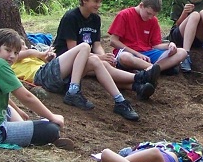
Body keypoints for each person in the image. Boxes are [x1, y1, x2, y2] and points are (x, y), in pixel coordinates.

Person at [0, 29, 72, 148]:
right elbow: (26, 97)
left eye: (16, 53)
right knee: (51, 129)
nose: (12, 56)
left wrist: (18, 110)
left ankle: (22, 127)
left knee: (9, 108)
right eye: (8, 50)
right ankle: (31, 133)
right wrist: (52, 117)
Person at [53, 0, 160, 103]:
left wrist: (106, 57)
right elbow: (73, 49)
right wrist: (100, 58)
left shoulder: (95, 19)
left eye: (100, 1)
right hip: (66, 61)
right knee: (101, 66)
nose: (98, 5)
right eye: (95, 1)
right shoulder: (71, 17)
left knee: (103, 66)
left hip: (87, 58)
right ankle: (140, 78)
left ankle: (137, 87)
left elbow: (97, 45)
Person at [11, 40, 142, 121]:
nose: (25, 46)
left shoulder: (30, 57)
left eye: (24, 44)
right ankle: (73, 91)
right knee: (84, 46)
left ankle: (120, 101)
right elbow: (27, 54)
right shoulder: (12, 59)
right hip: (41, 76)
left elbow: (51, 66)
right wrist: (38, 53)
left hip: (52, 76)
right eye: (21, 45)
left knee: (94, 60)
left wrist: (48, 58)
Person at [108, 0, 188, 75]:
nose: (150, 17)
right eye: (148, 13)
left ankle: (149, 70)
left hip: (148, 54)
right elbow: (113, 41)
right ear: (141, 5)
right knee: (125, 57)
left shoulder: (153, 20)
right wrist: (137, 54)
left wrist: (169, 45)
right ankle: (156, 69)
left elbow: (155, 45)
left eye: (153, 15)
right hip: (129, 53)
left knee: (182, 52)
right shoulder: (124, 15)